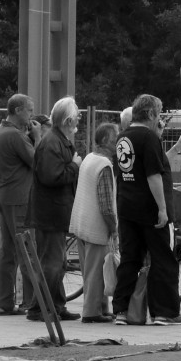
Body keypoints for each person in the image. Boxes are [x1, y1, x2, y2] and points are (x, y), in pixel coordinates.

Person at [113, 94, 181, 326]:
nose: (160, 118)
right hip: (150, 210)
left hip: (127, 207)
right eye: (160, 113)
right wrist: (163, 208)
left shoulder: (122, 137)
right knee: (163, 259)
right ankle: (164, 312)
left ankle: (121, 310)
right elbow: (153, 175)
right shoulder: (149, 137)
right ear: (151, 114)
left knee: (129, 258)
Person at [27, 96, 83, 321]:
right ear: (68, 121)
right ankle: (41, 308)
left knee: (57, 261)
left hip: (55, 211)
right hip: (50, 212)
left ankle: (56, 305)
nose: (78, 120)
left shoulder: (57, 140)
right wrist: (74, 166)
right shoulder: (53, 142)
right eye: (77, 117)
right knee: (51, 262)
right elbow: (51, 176)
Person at [0, 93, 42, 316]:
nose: (31, 115)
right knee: (28, 250)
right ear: (18, 110)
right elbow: (37, 161)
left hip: (4, 195)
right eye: (29, 110)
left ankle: (5, 302)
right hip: (19, 199)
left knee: (8, 250)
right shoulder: (16, 136)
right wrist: (36, 138)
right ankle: (33, 302)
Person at [70, 122, 119, 323]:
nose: (119, 142)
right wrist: (114, 229)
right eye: (116, 138)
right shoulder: (105, 166)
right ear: (107, 141)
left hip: (80, 223)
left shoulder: (89, 158)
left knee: (90, 269)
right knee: (96, 271)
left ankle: (101, 308)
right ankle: (91, 313)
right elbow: (106, 204)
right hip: (95, 227)